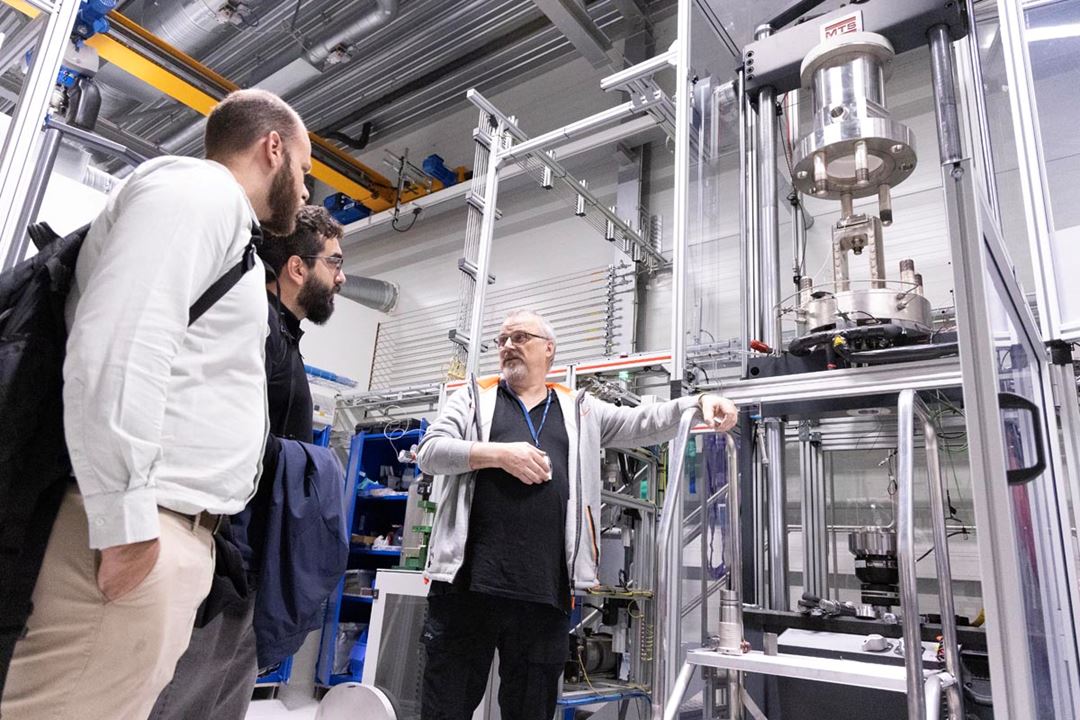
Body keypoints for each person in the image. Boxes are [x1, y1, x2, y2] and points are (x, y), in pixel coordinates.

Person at [1, 88, 312, 720]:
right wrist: (128, 528)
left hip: (164, 534)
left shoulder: (229, 232)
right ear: (272, 147)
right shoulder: (200, 192)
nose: (306, 193)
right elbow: (121, 339)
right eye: (305, 171)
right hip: (129, 538)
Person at [416, 310, 738, 720]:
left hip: (544, 592)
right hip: (466, 588)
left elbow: (643, 421)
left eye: (519, 337)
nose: (507, 346)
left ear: (548, 349)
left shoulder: (579, 409)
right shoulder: (474, 398)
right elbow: (430, 453)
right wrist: (498, 454)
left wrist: (699, 402)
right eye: (501, 340)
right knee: (445, 708)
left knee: (530, 711)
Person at [148, 205, 346, 720]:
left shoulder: (286, 341)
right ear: (298, 268)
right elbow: (227, 435)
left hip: (254, 559)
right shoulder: (255, 329)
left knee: (220, 701)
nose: (341, 278)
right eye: (335, 263)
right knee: (183, 700)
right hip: (224, 553)